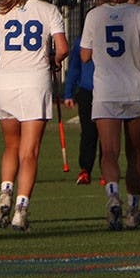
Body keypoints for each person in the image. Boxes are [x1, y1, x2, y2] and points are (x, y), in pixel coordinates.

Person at [0, 0, 69, 231]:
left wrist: (0, 52)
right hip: (34, 83)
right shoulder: (49, 10)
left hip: (5, 84)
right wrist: (53, 59)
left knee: (11, 147)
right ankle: (20, 211)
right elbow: (62, 48)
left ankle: (5, 194)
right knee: (30, 152)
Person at [81, 0, 140, 229]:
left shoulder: (94, 15)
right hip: (135, 90)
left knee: (109, 152)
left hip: (105, 92)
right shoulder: (138, 13)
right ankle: (133, 209)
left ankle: (113, 195)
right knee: (134, 153)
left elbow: (84, 55)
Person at [62, 36, 98, 185]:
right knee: (88, 132)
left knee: (109, 133)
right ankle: (85, 170)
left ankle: (108, 170)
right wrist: (68, 93)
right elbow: (74, 67)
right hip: (87, 90)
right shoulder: (81, 41)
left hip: (109, 89)